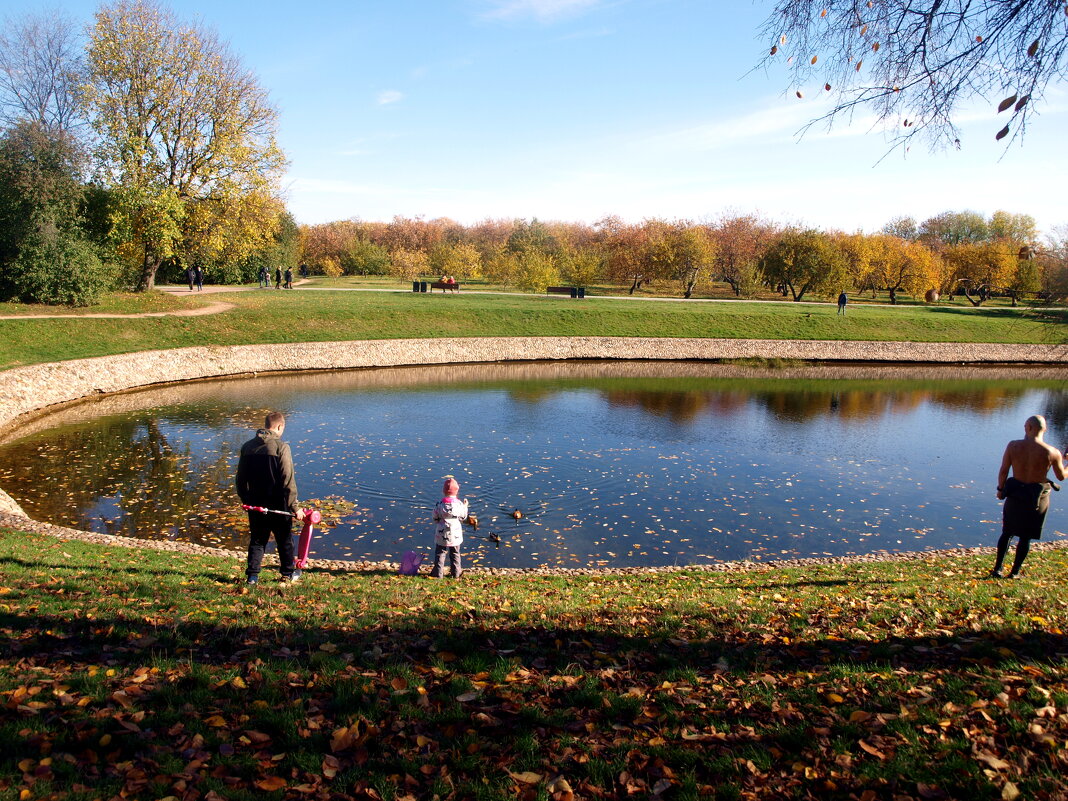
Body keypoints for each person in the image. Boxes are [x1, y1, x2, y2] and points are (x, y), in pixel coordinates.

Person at [991, 414, 1065, 578]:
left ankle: (997, 569)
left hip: (1016, 493)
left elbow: (1004, 470)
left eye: (1025, 426)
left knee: (1007, 532)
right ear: (1044, 429)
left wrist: (1000, 489)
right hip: (1037, 498)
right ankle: (1015, 572)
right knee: (1025, 537)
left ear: (1030, 427)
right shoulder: (1052, 452)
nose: (1024, 429)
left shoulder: (1013, 446)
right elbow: (1061, 476)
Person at [236, 411, 305, 585]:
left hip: (255, 503)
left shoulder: (247, 447)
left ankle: (252, 576)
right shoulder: (281, 447)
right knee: (284, 541)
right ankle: (287, 573)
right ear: (279, 426)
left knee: (258, 540)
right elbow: (287, 479)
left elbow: (240, 478)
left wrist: (246, 499)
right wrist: (295, 507)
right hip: (278, 504)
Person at [431, 477, 469, 579]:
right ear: (456, 492)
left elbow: (434, 517)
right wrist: (465, 506)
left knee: (440, 553)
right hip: (455, 534)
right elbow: (463, 517)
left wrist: (439, 521)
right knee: (455, 553)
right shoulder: (460, 504)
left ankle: (438, 574)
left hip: (441, 533)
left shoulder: (439, 504)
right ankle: (456, 573)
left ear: (444, 491)